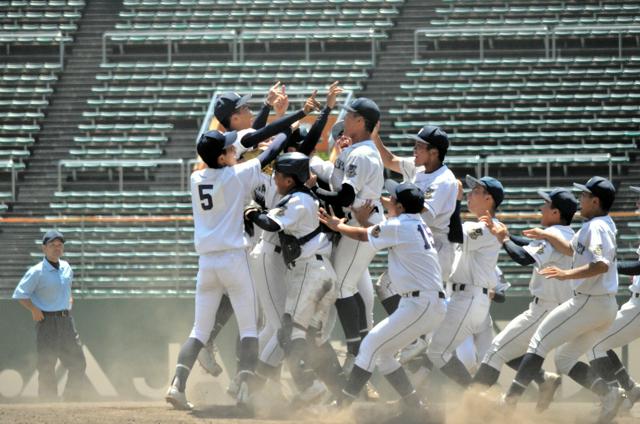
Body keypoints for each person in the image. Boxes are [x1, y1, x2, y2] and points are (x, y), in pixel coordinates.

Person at [165, 127, 291, 411]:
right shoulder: (236, 174)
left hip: (207, 262)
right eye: (228, 149)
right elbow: (271, 152)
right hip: (234, 257)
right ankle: (245, 391)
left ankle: (177, 386)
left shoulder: (196, 176)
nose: (233, 150)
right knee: (248, 328)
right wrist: (285, 132)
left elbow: (231, 158)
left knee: (199, 329)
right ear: (221, 158)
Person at [319, 180, 447, 421]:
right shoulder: (414, 224)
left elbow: (362, 234)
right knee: (384, 355)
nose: (388, 201)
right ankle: (417, 408)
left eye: (391, 199)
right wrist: (366, 222)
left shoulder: (400, 225)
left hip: (420, 304)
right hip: (425, 303)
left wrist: (337, 225)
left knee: (369, 346)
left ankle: (342, 407)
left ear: (398, 206)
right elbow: (379, 234)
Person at [501, 176, 621, 424]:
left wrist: (567, 274)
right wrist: (545, 235)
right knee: (564, 359)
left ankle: (510, 400)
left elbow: (600, 264)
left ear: (595, 201)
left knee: (538, 342)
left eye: (585, 196)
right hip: (603, 304)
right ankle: (609, 393)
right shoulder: (602, 224)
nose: (581, 200)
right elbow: (569, 249)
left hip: (590, 301)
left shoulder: (596, 227)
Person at [245, 152, 341, 404]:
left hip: (309, 272)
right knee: (313, 340)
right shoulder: (304, 197)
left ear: (289, 180)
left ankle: (310, 387)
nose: (274, 178)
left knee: (288, 333)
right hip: (323, 274)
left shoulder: (298, 199)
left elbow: (270, 224)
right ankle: (341, 394)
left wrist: (252, 212)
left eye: (278, 174)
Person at [472, 188, 578, 411]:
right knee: (511, 350)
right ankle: (544, 380)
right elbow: (528, 246)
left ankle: (472, 405)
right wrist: (506, 235)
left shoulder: (552, 237)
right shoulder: (568, 235)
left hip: (544, 310)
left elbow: (522, 258)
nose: (541, 208)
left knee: (495, 351)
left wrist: (504, 239)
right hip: (561, 309)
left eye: (546, 205)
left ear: (556, 213)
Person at [312, 97, 385, 372]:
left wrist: (310, 190)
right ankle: (357, 351)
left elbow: (345, 194)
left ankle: (356, 354)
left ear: (361, 122)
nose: (347, 120)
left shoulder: (363, 153)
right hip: (354, 221)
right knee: (346, 286)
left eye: (351, 116)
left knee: (342, 286)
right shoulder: (353, 151)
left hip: (361, 224)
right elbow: (333, 175)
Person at [426, 175, 505, 387]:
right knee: (434, 346)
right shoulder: (478, 225)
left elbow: (454, 234)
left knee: (438, 351)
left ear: (489, 199)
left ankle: (474, 397)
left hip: (469, 297)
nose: (470, 194)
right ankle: (475, 396)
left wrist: (455, 201)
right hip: (460, 296)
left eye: (476, 191)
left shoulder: (488, 226)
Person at [12, 230, 86, 401]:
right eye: (52, 245)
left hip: (66, 321)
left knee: (78, 362)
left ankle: (71, 403)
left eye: (60, 245)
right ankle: (48, 407)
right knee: (47, 365)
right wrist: (34, 309)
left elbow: (67, 288)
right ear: (44, 248)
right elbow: (20, 294)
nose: (56, 248)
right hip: (46, 321)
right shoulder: (37, 271)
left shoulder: (67, 267)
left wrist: (68, 299)